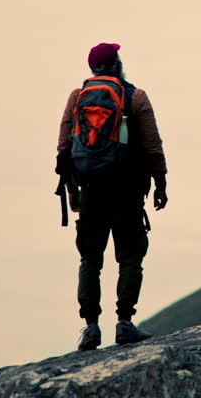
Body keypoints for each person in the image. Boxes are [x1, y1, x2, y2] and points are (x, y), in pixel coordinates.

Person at [56, 42, 168, 350]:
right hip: (127, 191)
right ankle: (124, 322)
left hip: (90, 190)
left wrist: (72, 191)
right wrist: (160, 184)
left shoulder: (77, 97)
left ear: (92, 68)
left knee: (90, 258)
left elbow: (64, 149)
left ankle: (91, 327)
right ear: (117, 64)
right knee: (130, 256)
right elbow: (153, 145)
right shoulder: (135, 97)